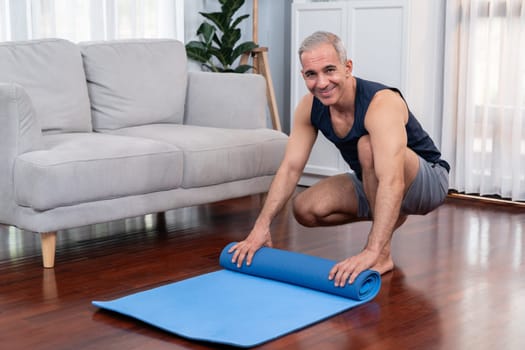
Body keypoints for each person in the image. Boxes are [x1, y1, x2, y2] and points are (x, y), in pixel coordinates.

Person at [229, 31, 450, 287]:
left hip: (428, 180)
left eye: (330, 70)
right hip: (373, 179)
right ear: (304, 76)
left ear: (348, 68)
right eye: (312, 74)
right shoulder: (310, 106)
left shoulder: (381, 103)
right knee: (306, 209)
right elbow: (290, 168)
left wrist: (371, 249)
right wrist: (261, 227)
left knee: (366, 146)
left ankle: (382, 253)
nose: (322, 83)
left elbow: (391, 180)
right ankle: (389, 216)